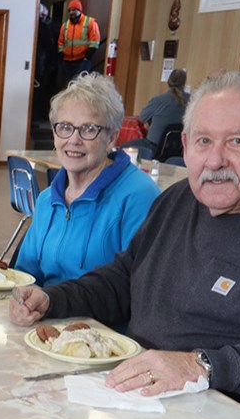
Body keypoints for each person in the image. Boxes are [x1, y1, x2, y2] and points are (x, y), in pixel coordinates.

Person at [10, 70, 240, 419]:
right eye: (204, 141)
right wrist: (55, 298)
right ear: (186, 145)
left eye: (237, 141)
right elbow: (125, 277)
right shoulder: (178, 201)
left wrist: (202, 365)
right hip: (142, 403)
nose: (215, 160)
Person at [14, 73, 159, 285]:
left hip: (99, 317)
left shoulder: (139, 197)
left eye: (89, 129)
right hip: (46, 313)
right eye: (64, 127)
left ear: (111, 138)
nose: (74, 140)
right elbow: (24, 277)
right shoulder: (47, 200)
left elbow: (140, 288)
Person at [138, 68, 189, 149]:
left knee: (125, 146)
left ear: (168, 81)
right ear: (184, 83)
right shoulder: (192, 101)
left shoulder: (158, 100)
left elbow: (142, 118)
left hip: (154, 146)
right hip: (178, 148)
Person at [57, 0, 100, 86]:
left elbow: (95, 41)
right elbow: (61, 42)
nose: (71, 12)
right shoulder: (65, 25)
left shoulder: (90, 22)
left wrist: (87, 57)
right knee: (68, 86)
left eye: (74, 10)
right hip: (67, 62)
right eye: (69, 10)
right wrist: (61, 55)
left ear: (79, 10)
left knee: (81, 86)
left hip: (82, 61)